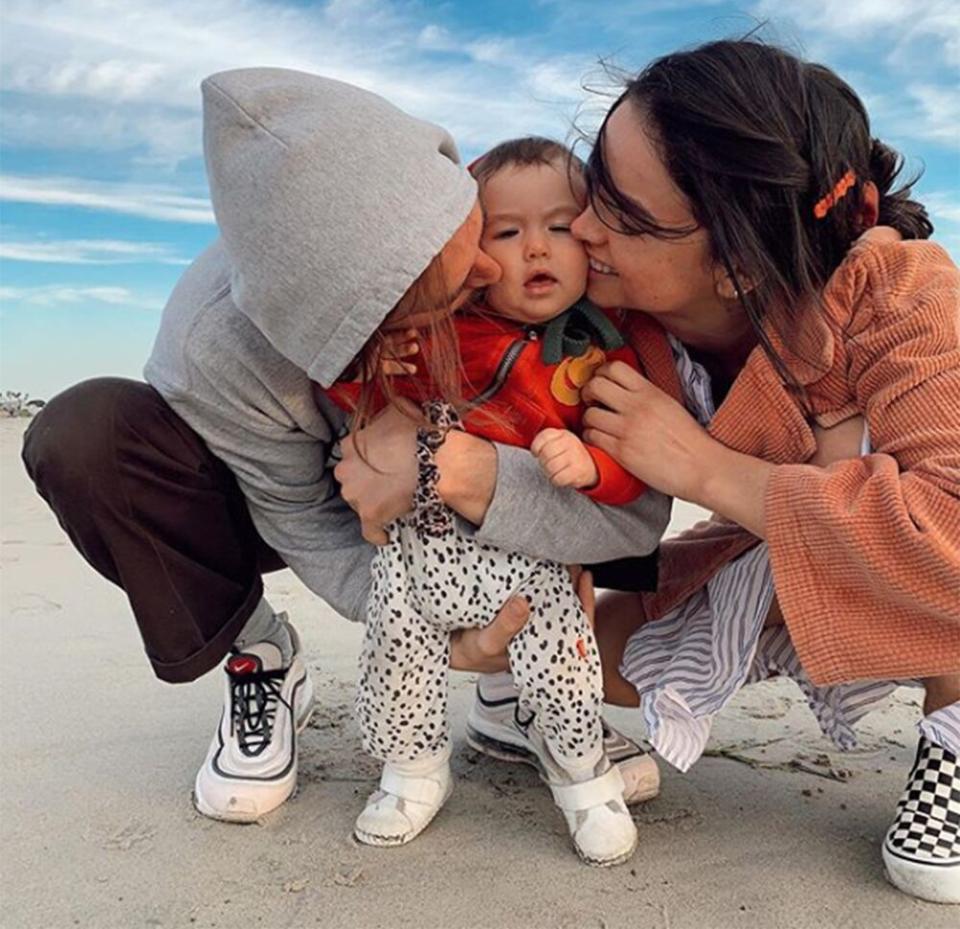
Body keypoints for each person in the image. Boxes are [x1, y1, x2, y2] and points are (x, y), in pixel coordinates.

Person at [334, 40, 960, 904]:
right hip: (772, 550)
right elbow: (459, 328)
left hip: (901, 569)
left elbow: (950, 531)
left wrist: (701, 465)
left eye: (621, 215)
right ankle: (520, 715)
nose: (582, 227)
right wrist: (403, 424)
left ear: (739, 261)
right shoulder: (613, 316)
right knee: (582, 657)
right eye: (595, 186)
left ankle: (952, 733)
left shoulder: (900, 292)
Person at [21, 68, 669, 831]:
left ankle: (519, 692)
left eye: (474, 231)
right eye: (454, 295)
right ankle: (256, 654)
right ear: (369, 325)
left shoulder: (548, 273)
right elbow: (302, 518)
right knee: (87, 434)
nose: (500, 273)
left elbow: (637, 518)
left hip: (495, 503)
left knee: (554, 440)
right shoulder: (215, 348)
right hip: (308, 500)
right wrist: (430, 635)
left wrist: (458, 469)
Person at [327, 137, 660, 865]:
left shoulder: (605, 350)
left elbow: (638, 470)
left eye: (560, 225)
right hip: (422, 546)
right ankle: (411, 771)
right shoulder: (440, 329)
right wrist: (365, 364)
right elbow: (362, 413)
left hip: (529, 552)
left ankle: (582, 779)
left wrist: (593, 463)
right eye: (507, 231)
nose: (535, 247)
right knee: (398, 648)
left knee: (564, 660)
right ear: (475, 252)